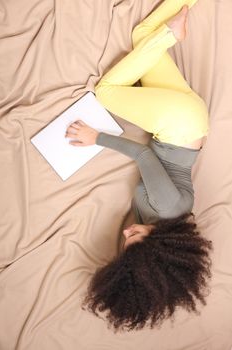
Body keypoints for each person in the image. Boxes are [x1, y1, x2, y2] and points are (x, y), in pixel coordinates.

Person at [66, 0, 212, 331]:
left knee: (143, 34)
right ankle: (172, 34)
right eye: (134, 238)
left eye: (125, 240)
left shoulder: (158, 222)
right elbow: (144, 156)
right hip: (179, 124)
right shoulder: (167, 207)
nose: (127, 231)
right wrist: (95, 137)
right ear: (158, 250)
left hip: (186, 121)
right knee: (105, 93)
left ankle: (176, 23)